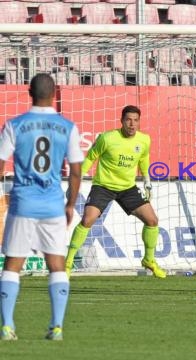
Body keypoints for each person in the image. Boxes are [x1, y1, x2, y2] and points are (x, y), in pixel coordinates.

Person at [0, 73, 83, 341]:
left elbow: (0, 161)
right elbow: (76, 171)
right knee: (57, 264)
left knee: (12, 265)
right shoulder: (68, 127)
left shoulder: (15, 125)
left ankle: (7, 325)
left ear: (29, 92)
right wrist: (70, 204)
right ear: (55, 93)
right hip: (52, 205)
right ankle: (57, 326)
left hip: (23, 203)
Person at [64, 105, 166, 279]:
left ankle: (149, 260)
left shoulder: (144, 140)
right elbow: (90, 158)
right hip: (103, 186)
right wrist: (75, 182)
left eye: (135, 120)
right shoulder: (107, 138)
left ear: (139, 122)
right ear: (121, 121)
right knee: (88, 220)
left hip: (128, 188)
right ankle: (67, 263)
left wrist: (147, 181)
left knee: (152, 220)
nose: (132, 124)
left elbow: (143, 159)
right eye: (128, 120)